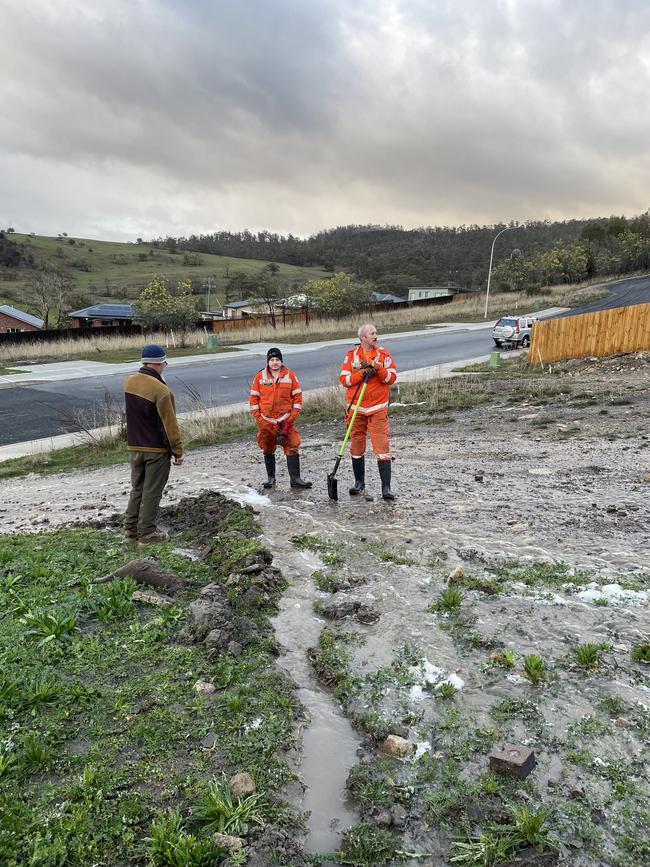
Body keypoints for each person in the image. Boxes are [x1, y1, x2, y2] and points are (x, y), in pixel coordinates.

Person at [123, 344, 184, 545]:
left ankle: (130, 532)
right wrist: (177, 451)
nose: (165, 366)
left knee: (137, 489)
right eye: (164, 362)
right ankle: (147, 533)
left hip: (134, 447)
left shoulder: (129, 382)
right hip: (155, 450)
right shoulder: (161, 390)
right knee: (152, 491)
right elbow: (170, 425)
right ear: (158, 363)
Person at [339, 323, 397, 500]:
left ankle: (386, 488)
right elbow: (344, 380)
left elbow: (391, 378)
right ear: (362, 338)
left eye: (376, 333)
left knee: (382, 446)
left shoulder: (383, 354)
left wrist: (377, 369)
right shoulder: (351, 356)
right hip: (356, 408)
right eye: (372, 333)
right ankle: (359, 483)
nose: (376, 336)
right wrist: (362, 373)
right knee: (356, 445)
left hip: (377, 408)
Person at [249, 347, 311, 489]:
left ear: (281, 361)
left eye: (277, 359)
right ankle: (271, 479)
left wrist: (290, 419)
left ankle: (295, 479)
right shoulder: (260, 376)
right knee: (267, 447)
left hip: (285, 420)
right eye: (272, 360)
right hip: (266, 422)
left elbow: (297, 398)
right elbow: (253, 400)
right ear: (268, 362)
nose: (275, 362)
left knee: (293, 445)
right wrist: (260, 419)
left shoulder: (290, 375)